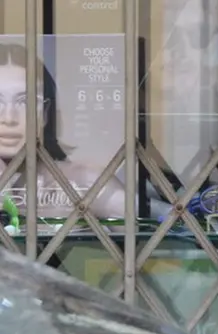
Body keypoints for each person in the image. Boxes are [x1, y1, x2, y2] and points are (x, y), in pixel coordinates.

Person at [0, 42, 127, 226]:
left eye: (24, 102)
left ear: (44, 113)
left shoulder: (84, 183)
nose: (9, 118)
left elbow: (157, 236)